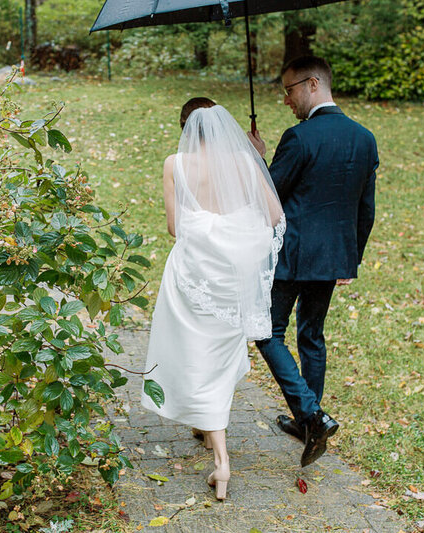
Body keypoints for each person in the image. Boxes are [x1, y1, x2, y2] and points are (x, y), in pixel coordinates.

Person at [141, 98, 285, 500]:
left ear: (185, 128)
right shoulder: (244, 160)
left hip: (193, 278)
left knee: (196, 355)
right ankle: (209, 431)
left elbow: (175, 227)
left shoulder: (175, 164)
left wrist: (206, 225)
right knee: (219, 361)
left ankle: (221, 462)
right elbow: (274, 217)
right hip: (231, 280)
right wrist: (255, 162)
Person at [247, 56, 379, 467]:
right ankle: (308, 422)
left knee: (268, 332)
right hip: (332, 255)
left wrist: (255, 157)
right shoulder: (365, 138)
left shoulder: (298, 138)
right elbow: (366, 207)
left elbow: (269, 194)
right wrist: (349, 259)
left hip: (293, 252)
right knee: (312, 336)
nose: (286, 100)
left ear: (312, 84)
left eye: (288, 90)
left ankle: (312, 415)